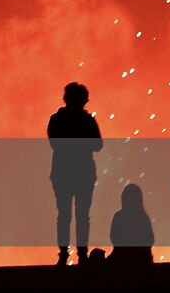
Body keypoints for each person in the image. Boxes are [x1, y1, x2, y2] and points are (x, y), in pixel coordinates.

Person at [47, 82, 103, 266]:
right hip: (84, 172)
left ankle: (63, 254)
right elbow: (98, 145)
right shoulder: (87, 120)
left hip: (62, 172)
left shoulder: (56, 119)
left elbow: (54, 143)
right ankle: (82, 255)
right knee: (82, 216)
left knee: (63, 215)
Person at [109, 184, 154, 267]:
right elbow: (150, 240)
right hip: (141, 259)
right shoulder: (143, 218)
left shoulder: (118, 216)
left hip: (123, 258)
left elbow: (114, 237)